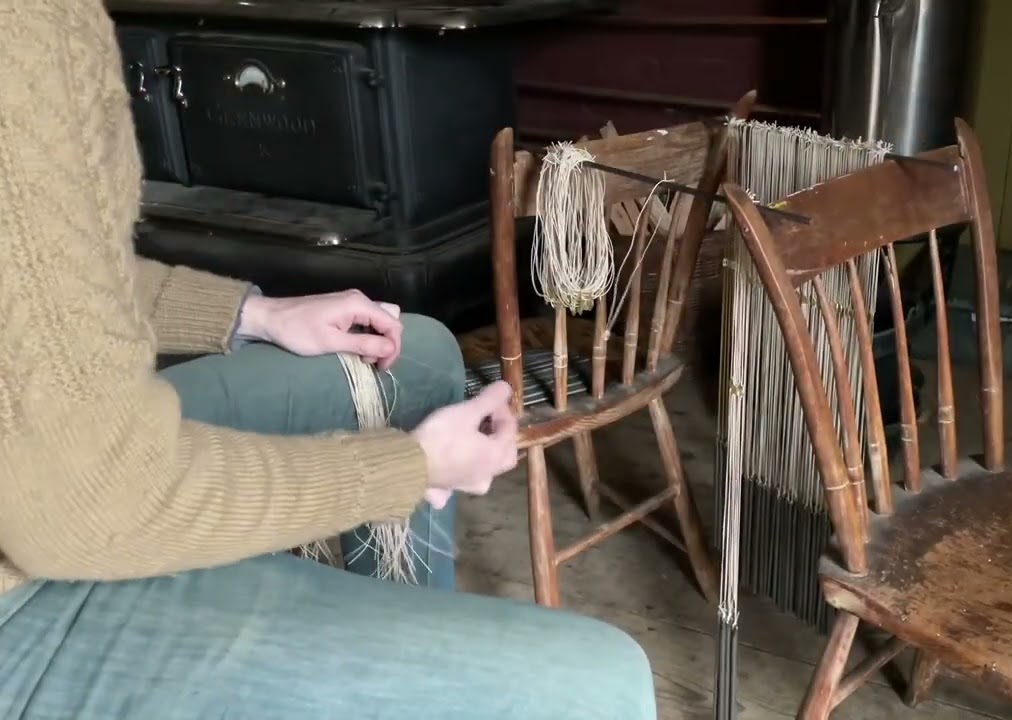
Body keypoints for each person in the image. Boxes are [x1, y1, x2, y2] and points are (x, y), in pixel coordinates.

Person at [0, 1, 657, 717]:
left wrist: (255, 314)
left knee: (420, 357)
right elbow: (88, 506)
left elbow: (45, 281)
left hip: (48, 462)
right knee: (596, 680)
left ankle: (393, 646)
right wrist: (405, 469)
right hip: (31, 569)